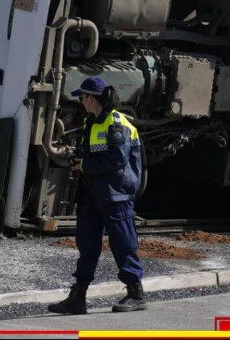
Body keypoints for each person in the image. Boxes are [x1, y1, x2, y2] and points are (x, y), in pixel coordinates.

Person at [48, 77, 146, 315]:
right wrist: (78, 158)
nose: (80, 102)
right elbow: (90, 152)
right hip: (93, 195)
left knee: (123, 244)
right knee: (87, 245)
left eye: (81, 98)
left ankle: (136, 294)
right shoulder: (91, 123)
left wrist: (85, 166)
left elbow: (117, 160)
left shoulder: (116, 123)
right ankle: (78, 297)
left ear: (91, 97)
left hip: (116, 195)